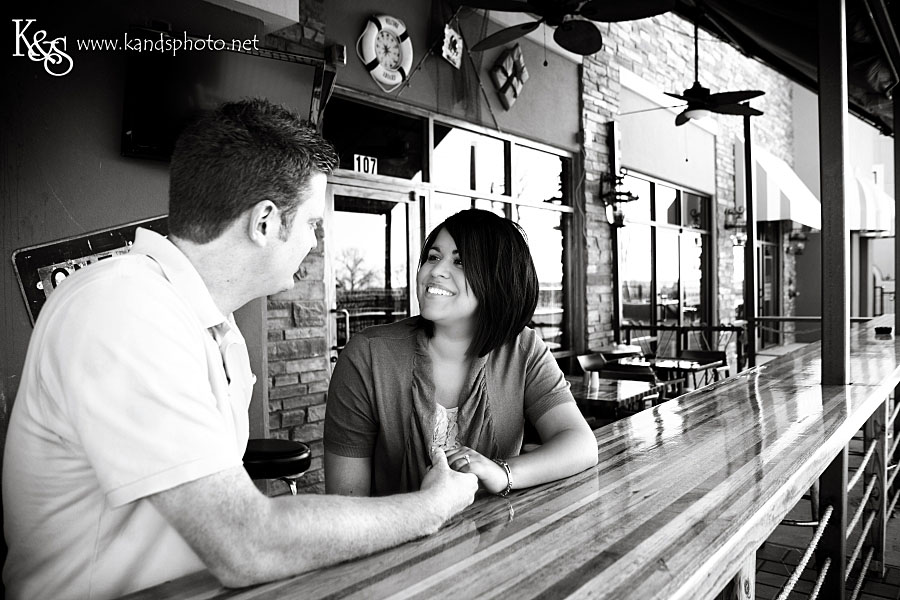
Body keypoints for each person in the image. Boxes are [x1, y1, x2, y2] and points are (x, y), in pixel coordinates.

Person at [1, 99, 477, 600]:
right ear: (266, 223)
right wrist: (431, 508)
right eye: (314, 222)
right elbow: (246, 543)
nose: (316, 243)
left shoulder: (212, 323)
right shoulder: (121, 307)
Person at [324, 209, 598, 497]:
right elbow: (346, 502)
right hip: (395, 537)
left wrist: (502, 472)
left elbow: (580, 443)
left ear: (497, 279)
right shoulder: (368, 356)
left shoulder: (523, 349)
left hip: (497, 534)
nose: (437, 270)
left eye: (460, 262)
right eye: (433, 256)